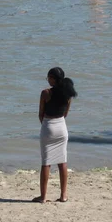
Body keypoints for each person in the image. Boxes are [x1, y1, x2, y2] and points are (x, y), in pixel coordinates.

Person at [35, 67, 77, 203]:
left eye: (48, 77)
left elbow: (40, 114)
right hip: (62, 127)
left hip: (49, 127)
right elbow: (66, 113)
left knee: (46, 163)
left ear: (53, 78)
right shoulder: (68, 93)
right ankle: (64, 195)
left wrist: (45, 126)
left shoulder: (45, 93)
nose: (48, 80)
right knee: (62, 162)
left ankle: (43, 196)